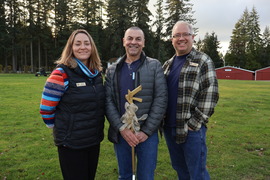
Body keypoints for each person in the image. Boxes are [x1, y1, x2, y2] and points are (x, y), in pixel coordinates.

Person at [39, 29, 105, 180]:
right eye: (78, 43)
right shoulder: (61, 73)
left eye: (87, 43)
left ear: (92, 47)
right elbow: (46, 109)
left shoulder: (96, 74)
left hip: (93, 140)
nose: (83, 47)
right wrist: (61, 129)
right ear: (71, 48)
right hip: (71, 144)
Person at [105, 26, 167, 180]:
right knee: (125, 175)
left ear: (144, 43)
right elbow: (108, 101)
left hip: (147, 134)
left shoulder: (154, 66)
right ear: (124, 41)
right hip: (122, 134)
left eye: (138, 39)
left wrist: (146, 131)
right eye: (130, 38)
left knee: (145, 176)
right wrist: (121, 128)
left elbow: (161, 99)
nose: (134, 42)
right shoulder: (112, 70)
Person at [162, 21, 219, 180]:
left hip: (191, 130)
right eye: (177, 35)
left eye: (185, 34)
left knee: (197, 173)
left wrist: (194, 123)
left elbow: (211, 94)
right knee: (181, 170)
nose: (181, 38)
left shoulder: (203, 60)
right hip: (169, 128)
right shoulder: (167, 65)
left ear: (193, 37)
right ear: (172, 39)